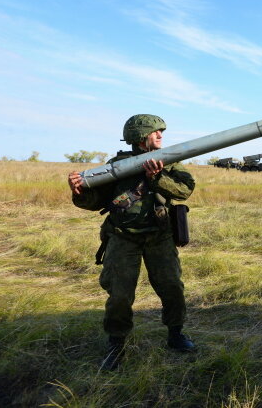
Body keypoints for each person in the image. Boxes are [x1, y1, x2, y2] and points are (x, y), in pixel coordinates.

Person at [68, 114, 196, 371]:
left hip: (159, 237)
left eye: (162, 132)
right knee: (119, 294)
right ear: (140, 137)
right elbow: (95, 203)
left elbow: (185, 190)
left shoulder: (168, 163)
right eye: (156, 132)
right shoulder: (115, 166)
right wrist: (79, 191)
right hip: (123, 238)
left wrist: (157, 178)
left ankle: (175, 334)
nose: (161, 136)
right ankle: (116, 343)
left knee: (172, 287)